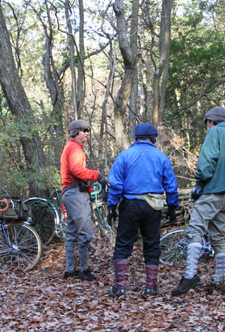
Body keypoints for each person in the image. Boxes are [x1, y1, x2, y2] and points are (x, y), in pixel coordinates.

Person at [172, 106, 225, 296]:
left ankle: (190, 276)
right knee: (218, 236)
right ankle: (220, 279)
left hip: (212, 191)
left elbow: (207, 162)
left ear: (210, 121)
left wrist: (200, 182)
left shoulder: (214, 133)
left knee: (195, 229)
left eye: (207, 123)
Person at [107, 123, 179, 297]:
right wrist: (172, 207)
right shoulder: (161, 157)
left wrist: (112, 206)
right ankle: (150, 287)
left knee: (123, 245)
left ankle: (121, 287)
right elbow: (170, 185)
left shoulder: (124, 156)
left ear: (135, 137)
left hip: (129, 204)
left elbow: (115, 184)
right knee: (152, 244)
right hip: (153, 206)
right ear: (153, 138)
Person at [60, 119, 106, 281]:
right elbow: (77, 170)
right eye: (83, 130)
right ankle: (84, 270)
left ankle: (70, 269)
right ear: (75, 132)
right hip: (75, 195)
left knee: (72, 232)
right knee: (86, 233)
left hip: (71, 193)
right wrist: (97, 176)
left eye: (88, 130)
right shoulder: (74, 148)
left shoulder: (72, 147)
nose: (87, 133)